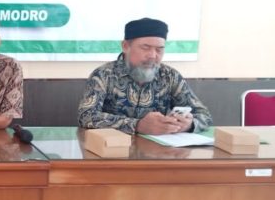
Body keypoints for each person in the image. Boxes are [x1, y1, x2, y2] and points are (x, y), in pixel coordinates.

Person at [77, 17, 212, 135]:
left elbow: (204, 115)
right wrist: (138, 125)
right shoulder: (104, 75)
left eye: (159, 49)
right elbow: (86, 116)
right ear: (125, 46)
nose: (153, 55)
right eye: (145, 48)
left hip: (160, 151)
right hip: (113, 149)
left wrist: (189, 124)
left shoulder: (170, 76)